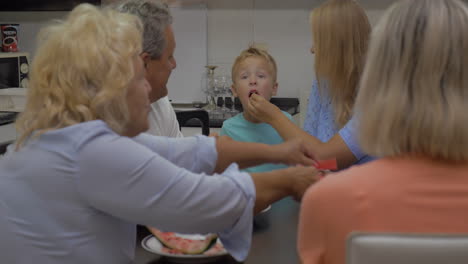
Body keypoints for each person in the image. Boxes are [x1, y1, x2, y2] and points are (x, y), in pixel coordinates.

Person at [0, 4, 321, 263]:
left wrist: (281, 153)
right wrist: (292, 180)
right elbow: (204, 201)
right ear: (113, 88)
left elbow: (195, 152)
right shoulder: (91, 151)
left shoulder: (71, 136)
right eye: (140, 77)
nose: (150, 90)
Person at [297, 0, 468, 263]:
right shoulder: (324, 88)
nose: (311, 49)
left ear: (379, 74)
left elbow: (323, 157)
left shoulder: (327, 202)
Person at [247, 0, 372, 170]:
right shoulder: (324, 82)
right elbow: (310, 152)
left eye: (318, 41)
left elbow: (328, 159)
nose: (312, 50)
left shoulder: (377, 100)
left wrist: (273, 116)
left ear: (337, 46)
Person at [114, 0, 183, 138]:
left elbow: (178, 155)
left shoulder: (160, 104)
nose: (174, 64)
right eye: (169, 57)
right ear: (144, 63)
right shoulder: (97, 118)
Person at [220, 47, 293, 173]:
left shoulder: (286, 121)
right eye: (244, 77)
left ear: (274, 88)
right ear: (235, 90)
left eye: (260, 76)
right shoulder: (228, 128)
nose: (253, 81)